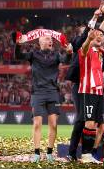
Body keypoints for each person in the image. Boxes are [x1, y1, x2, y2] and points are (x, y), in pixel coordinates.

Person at [16, 32, 72, 162]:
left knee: (53, 124)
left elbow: (66, 60)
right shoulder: (33, 54)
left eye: (51, 39)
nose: (50, 40)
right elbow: (18, 55)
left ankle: (49, 153)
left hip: (53, 92)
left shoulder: (57, 54)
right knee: (37, 124)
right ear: (40, 42)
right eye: (47, 39)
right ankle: (36, 153)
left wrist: (69, 52)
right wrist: (18, 45)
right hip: (38, 93)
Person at [78, 29, 104, 163]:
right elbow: (83, 49)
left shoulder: (100, 53)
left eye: (101, 35)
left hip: (99, 91)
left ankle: (89, 154)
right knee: (89, 122)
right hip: (88, 90)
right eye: (96, 36)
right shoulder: (87, 50)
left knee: (95, 124)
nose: (99, 37)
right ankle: (85, 154)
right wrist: (89, 39)